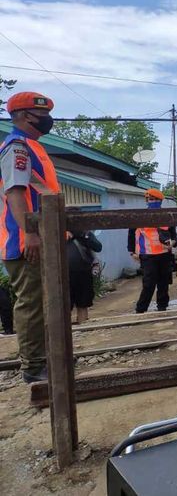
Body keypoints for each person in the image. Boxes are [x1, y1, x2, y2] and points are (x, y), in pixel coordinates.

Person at [0, 91, 59, 383]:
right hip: (26, 242)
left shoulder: (31, 147)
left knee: (45, 302)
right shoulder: (17, 147)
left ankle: (48, 358)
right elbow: (15, 193)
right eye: (42, 115)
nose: (47, 120)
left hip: (40, 238)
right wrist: (29, 233)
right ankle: (35, 367)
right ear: (24, 116)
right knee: (31, 303)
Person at [127, 189, 177, 313]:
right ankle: (141, 309)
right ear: (147, 201)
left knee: (163, 283)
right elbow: (131, 234)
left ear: (160, 201)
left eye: (155, 200)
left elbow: (173, 235)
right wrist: (132, 251)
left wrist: (173, 243)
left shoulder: (167, 216)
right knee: (149, 284)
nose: (153, 202)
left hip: (164, 254)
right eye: (150, 199)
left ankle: (162, 308)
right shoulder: (140, 216)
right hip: (148, 255)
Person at [66, 223, 102, 324]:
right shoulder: (57, 233)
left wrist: (83, 236)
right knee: (65, 306)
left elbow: (98, 247)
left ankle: (83, 328)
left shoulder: (85, 234)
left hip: (83, 272)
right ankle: (65, 331)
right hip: (64, 275)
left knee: (83, 303)